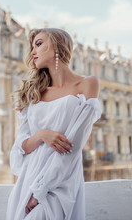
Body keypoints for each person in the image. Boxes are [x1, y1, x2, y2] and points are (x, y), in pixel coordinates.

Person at [6, 28, 102, 220]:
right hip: (29, 177)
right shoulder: (33, 93)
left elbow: (72, 147)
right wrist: (42, 135)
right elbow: (21, 147)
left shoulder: (87, 84)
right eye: (32, 46)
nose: (33, 51)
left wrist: (41, 190)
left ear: (58, 45)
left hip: (61, 181)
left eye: (39, 44)